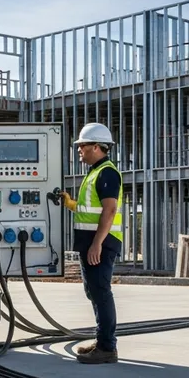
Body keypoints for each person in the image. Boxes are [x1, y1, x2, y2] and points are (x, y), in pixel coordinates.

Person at [60, 122, 123, 364]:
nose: (79, 150)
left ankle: (107, 347)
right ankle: (102, 341)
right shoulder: (95, 172)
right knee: (93, 291)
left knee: (101, 292)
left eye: (82, 145)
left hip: (101, 244)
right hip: (92, 243)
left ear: (96, 146)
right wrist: (70, 204)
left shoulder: (107, 172)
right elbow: (91, 209)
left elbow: (109, 210)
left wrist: (97, 243)